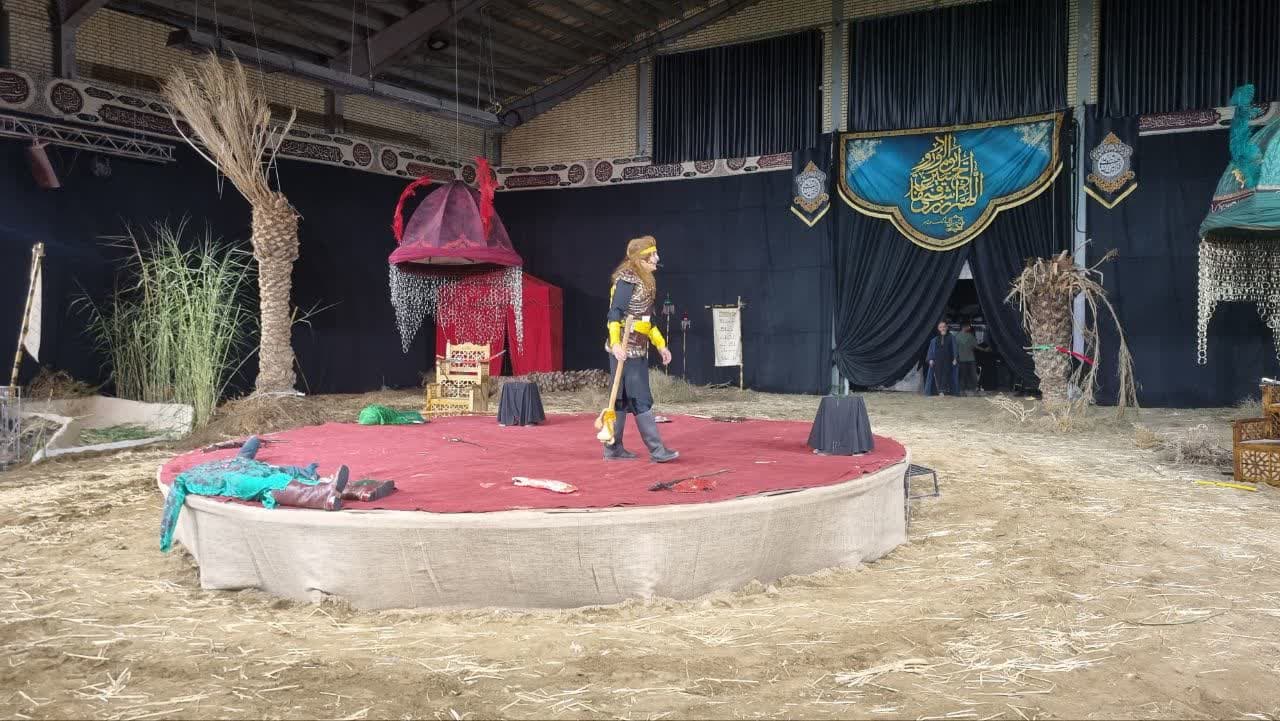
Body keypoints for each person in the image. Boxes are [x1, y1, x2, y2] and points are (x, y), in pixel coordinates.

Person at [160, 435, 349, 551]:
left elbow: (250, 448)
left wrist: (255, 440)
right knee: (271, 483)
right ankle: (323, 497)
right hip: (234, 481)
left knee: (277, 473)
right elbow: (174, 497)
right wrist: (165, 538)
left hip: (247, 472)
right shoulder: (185, 478)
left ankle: (344, 492)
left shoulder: (241, 460)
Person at [603, 235, 678, 463]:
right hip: (625, 351)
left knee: (622, 398)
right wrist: (616, 344)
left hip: (637, 348)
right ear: (640, 259)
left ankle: (613, 449)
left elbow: (648, 321)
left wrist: (661, 345)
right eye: (652, 254)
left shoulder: (645, 281)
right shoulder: (628, 280)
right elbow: (614, 314)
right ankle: (657, 451)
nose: (657, 258)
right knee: (640, 397)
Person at [924, 320, 959, 396]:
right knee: (938, 375)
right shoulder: (934, 340)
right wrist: (930, 359)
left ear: (947, 327)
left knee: (946, 375)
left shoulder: (951, 338)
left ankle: (944, 391)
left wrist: (955, 358)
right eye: (940, 327)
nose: (942, 328)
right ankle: (940, 391)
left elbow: (955, 349)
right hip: (937, 360)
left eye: (944, 327)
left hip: (948, 360)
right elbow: (931, 350)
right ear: (938, 328)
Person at [955, 323, 979, 395]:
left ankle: (962, 391)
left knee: (962, 375)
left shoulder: (956, 336)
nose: (969, 328)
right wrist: (984, 349)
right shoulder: (971, 336)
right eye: (968, 326)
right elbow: (976, 346)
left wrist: (955, 357)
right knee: (972, 375)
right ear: (965, 327)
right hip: (970, 359)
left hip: (961, 359)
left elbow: (955, 349)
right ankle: (974, 390)